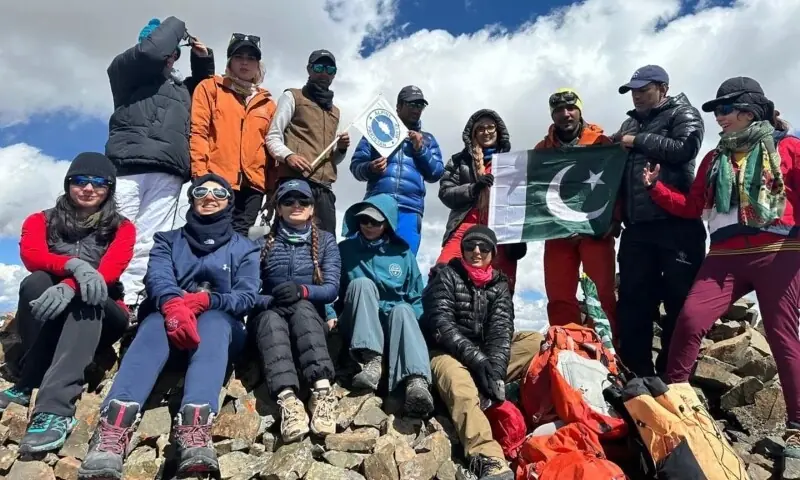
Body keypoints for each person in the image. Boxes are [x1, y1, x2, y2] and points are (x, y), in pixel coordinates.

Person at [642, 77, 800, 460]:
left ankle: (796, 426)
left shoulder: (789, 147)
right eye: (717, 111)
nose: (719, 118)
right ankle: (676, 399)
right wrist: (655, 188)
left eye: (726, 110)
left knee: (782, 335)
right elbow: (693, 206)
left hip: (780, 248)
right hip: (724, 254)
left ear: (749, 111)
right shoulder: (714, 159)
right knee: (691, 319)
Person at [78, 174, 259, 479]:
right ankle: (113, 432)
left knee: (214, 323)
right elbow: (158, 278)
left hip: (220, 332)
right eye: (201, 190)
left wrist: (206, 301)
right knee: (154, 323)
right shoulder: (168, 240)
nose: (209, 196)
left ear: (229, 202)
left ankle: (195, 430)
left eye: (219, 192)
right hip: (170, 325)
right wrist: (175, 304)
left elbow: (247, 295)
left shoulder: (245, 247)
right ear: (192, 198)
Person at [3, 153, 133, 454]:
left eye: (99, 182)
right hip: (53, 309)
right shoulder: (40, 220)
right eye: (80, 181)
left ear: (110, 189)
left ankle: (55, 409)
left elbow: (109, 272)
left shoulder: (122, 227)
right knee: (35, 282)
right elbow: (31, 255)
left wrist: (73, 285)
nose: (89, 188)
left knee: (90, 295)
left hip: (104, 313)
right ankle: (32, 375)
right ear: (68, 184)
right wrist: (73, 265)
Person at [107, 17, 215, 312]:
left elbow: (207, 92)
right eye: (168, 50)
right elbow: (150, 52)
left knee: (148, 241)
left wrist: (203, 59)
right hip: (128, 167)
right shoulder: (126, 70)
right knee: (115, 233)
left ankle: (128, 302)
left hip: (169, 172)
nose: (170, 57)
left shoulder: (182, 89)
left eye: (175, 52)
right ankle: (101, 294)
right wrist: (179, 26)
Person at [422, 225, 542, 480]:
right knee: (460, 386)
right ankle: (489, 458)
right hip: (446, 352)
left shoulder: (499, 284)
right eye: (470, 246)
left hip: (484, 356)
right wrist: (479, 362)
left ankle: (500, 392)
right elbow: (440, 326)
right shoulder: (445, 276)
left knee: (535, 340)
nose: (476, 251)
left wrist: (495, 373)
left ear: (493, 252)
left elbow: (501, 330)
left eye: (484, 247)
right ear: (462, 249)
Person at [612, 65, 706, 377]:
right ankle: (637, 374)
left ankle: (674, 375)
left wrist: (636, 140)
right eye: (633, 90)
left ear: (663, 88)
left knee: (680, 303)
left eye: (644, 89)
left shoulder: (685, 113)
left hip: (676, 224)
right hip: (637, 228)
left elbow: (685, 149)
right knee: (633, 301)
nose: (637, 95)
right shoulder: (630, 123)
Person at [249, 179, 340, 443]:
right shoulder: (260, 241)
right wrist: (268, 301)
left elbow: (332, 288)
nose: (296, 205)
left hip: (308, 314)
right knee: (268, 319)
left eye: (303, 201)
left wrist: (303, 291)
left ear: (313, 208)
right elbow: (247, 291)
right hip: (270, 312)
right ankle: (289, 401)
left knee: (302, 309)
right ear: (278, 208)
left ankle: (322, 393)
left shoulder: (325, 241)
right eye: (288, 201)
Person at [336, 194, 433, 416]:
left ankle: (416, 383)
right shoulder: (345, 250)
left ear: (387, 223)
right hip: (357, 320)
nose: (368, 226)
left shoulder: (403, 254)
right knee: (362, 284)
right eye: (364, 220)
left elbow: (416, 296)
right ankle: (372, 362)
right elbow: (332, 289)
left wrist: (421, 331)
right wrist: (330, 314)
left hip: (393, 324)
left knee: (404, 309)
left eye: (376, 222)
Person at [535, 88, 619, 330]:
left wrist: (615, 217)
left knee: (601, 294)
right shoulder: (541, 149)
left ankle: (608, 353)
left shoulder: (602, 143)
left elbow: (617, 181)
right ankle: (566, 353)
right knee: (559, 297)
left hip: (595, 230)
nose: (565, 114)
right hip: (557, 233)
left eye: (570, 108)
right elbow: (532, 190)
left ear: (579, 110)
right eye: (559, 110)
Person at [191, 33, 276, 235]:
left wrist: (271, 188)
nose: (245, 63)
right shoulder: (210, 87)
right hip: (216, 179)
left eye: (251, 58)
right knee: (208, 235)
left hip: (253, 187)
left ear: (258, 65)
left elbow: (271, 148)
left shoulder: (268, 103)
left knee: (240, 242)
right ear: (229, 61)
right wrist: (200, 174)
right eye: (239, 57)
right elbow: (198, 131)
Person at [436, 109, 527, 293]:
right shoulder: (459, 161)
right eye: (480, 129)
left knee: (501, 285)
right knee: (443, 271)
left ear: (499, 131)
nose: (486, 132)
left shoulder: (513, 162)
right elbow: (445, 192)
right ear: (473, 133)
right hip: (465, 222)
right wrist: (473, 188)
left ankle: (497, 322)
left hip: (501, 228)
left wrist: (520, 234)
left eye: (491, 127)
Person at [349, 85, 444, 254]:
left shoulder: (428, 139)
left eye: (420, 105)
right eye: (411, 104)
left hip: (410, 209)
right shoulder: (376, 129)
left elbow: (436, 173)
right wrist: (370, 168)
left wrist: (420, 149)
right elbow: (356, 166)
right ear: (398, 106)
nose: (417, 109)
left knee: (403, 261)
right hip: (377, 205)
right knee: (364, 257)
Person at [266, 49, 350, 234]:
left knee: (325, 245)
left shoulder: (335, 112)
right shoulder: (292, 96)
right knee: (287, 240)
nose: (324, 73)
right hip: (295, 181)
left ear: (334, 74)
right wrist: (289, 156)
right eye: (319, 67)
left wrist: (341, 149)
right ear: (309, 69)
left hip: (325, 189)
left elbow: (332, 159)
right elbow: (272, 136)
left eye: (329, 69)